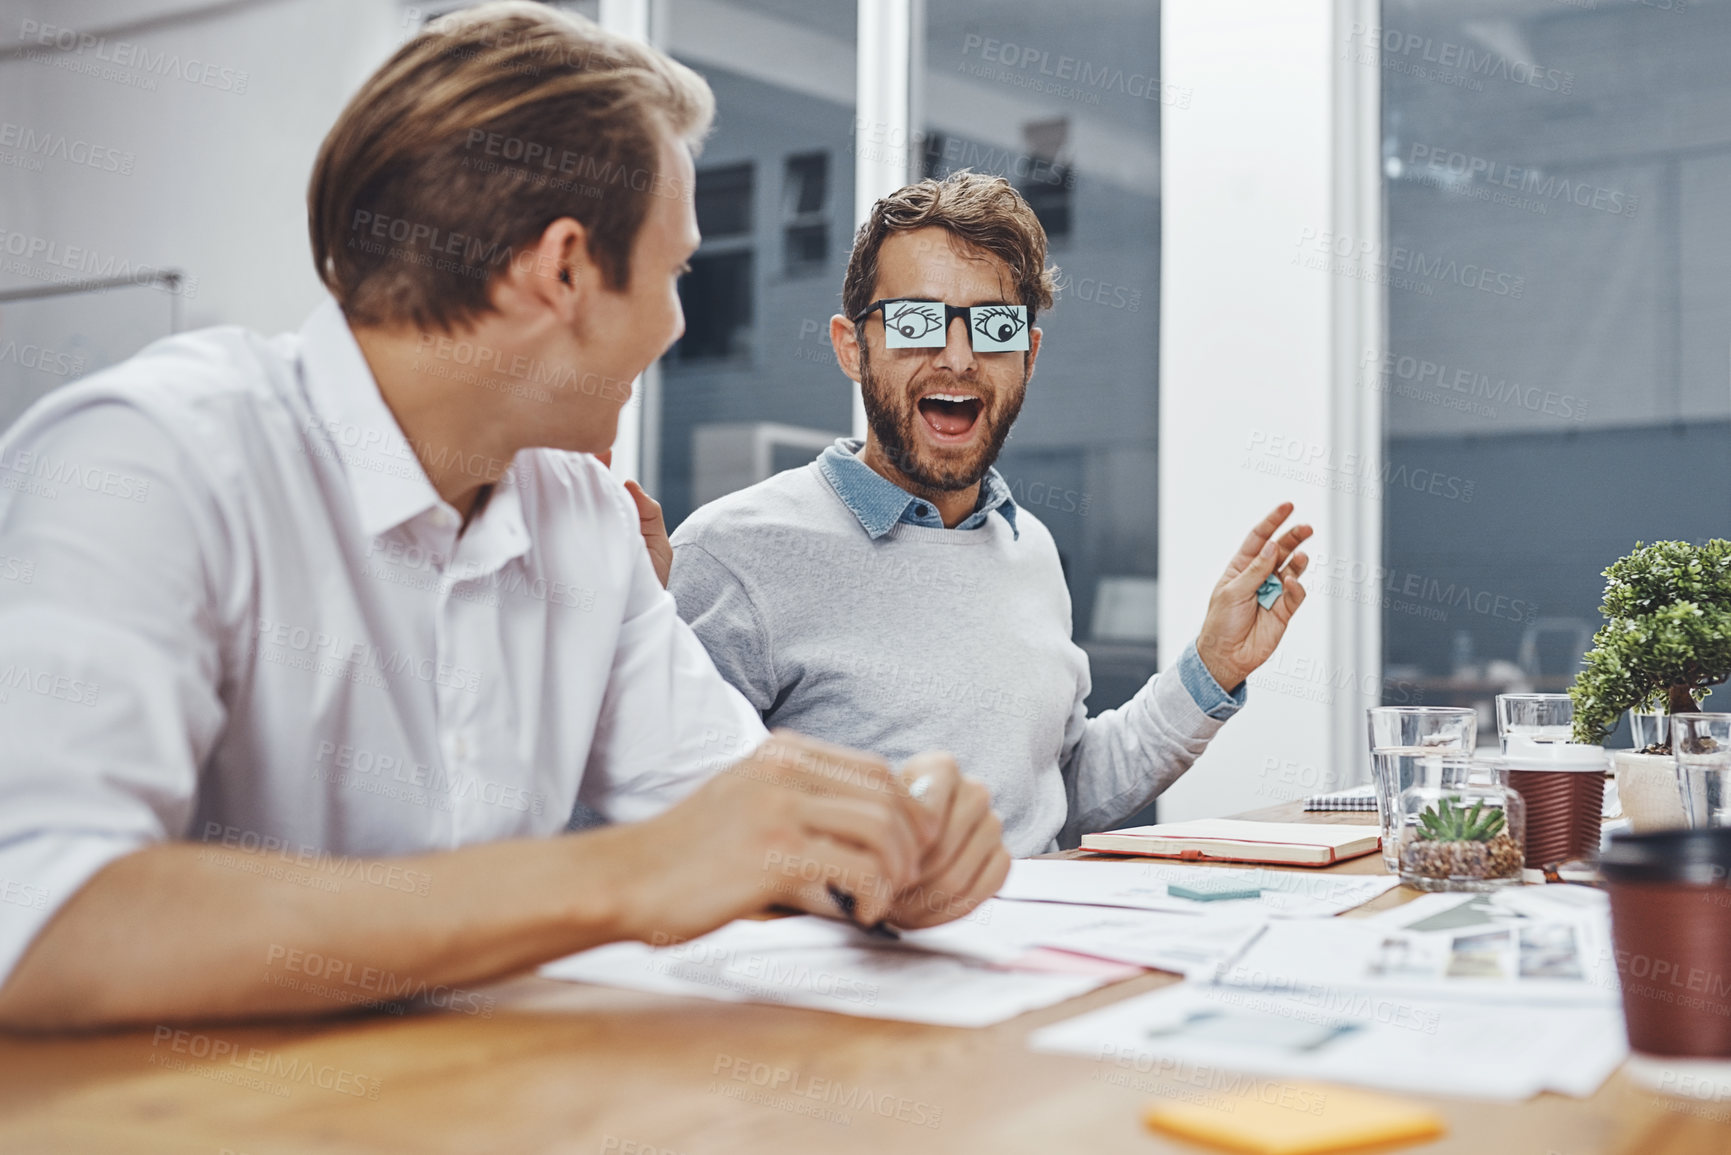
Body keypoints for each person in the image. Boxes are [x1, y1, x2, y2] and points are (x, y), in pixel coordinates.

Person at [0, 3, 1007, 1032]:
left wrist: (881, 844)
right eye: (674, 274)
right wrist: (619, 879)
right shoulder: (151, 459)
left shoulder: (576, 515)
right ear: (563, 270)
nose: (675, 324)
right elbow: (38, 915)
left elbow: (727, 818)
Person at [668, 173, 1312, 855]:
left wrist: (1211, 665)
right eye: (915, 322)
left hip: (1041, 949)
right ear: (851, 347)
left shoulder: (1026, 546)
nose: (956, 357)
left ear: (1027, 357)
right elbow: (660, 839)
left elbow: (1059, 791)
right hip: (859, 960)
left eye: (993, 326)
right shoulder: (731, 554)